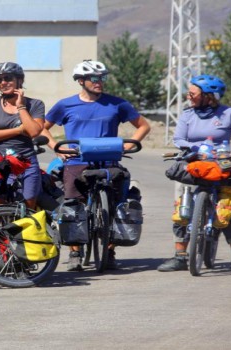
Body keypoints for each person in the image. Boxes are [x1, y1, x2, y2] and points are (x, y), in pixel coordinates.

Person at [40, 60, 150, 271]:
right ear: (81, 81)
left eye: (102, 78)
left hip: (109, 161)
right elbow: (42, 128)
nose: (99, 82)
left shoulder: (117, 104)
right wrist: (56, 147)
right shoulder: (66, 105)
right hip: (76, 161)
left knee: (117, 202)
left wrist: (127, 145)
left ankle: (109, 251)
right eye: (94, 78)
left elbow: (143, 126)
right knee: (73, 206)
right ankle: (74, 252)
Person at [157, 74, 231, 272]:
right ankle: (180, 256)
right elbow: (179, 139)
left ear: (209, 96)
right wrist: (197, 148)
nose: (189, 96)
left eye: (193, 93)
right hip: (194, 162)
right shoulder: (187, 114)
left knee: (227, 209)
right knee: (181, 208)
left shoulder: (230, 114)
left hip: (223, 164)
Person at [0, 62, 45, 285]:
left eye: (8, 78)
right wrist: (17, 129)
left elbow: (33, 131)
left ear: (20, 81)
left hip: (25, 162)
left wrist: (22, 108)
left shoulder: (35, 104)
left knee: (25, 217)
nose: (3, 83)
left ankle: (22, 263)